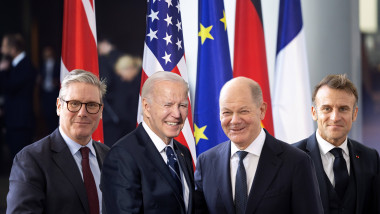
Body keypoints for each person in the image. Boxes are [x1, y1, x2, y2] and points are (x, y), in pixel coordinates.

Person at [194, 77, 323, 214]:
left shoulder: (296, 161)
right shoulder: (206, 162)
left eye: (243, 111)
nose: (235, 120)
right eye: (227, 112)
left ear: (262, 110)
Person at [6, 69, 110, 214]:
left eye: (91, 105)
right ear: (59, 106)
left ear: (101, 111)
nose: (82, 113)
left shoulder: (110, 156)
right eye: (74, 103)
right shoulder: (31, 159)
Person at [101, 71, 194, 214]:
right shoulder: (122, 156)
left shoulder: (183, 153)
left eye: (182, 105)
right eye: (168, 104)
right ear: (146, 107)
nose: (176, 114)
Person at [293, 74, 380, 214]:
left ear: (354, 113)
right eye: (327, 108)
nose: (335, 117)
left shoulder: (370, 158)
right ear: (314, 113)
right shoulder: (291, 157)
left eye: (343, 109)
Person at [0, 33, 37, 158]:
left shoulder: (25, 65)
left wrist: (2, 72)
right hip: (13, 121)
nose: (2, 50)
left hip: (20, 122)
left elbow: (10, 87)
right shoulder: (13, 65)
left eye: (4, 46)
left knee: (20, 159)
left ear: (13, 49)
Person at [38, 46, 60, 134]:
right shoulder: (42, 65)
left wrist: (57, 81)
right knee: (47, 116)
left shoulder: (57, 65)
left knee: (55, 116)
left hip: (55, 94)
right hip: (45, 94)